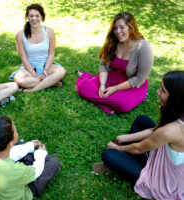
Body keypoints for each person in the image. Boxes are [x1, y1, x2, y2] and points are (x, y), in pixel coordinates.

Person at [93, 71, 184, 199]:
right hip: (165, 161)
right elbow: (155, 130)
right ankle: (127, 160)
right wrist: (127, 137)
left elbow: (138, 148)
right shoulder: (179, 117)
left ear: (175, 99)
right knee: (142, 120)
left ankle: (122, 163)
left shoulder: (172, 130)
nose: (158, 92)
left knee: (108, 155)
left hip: (161, 180)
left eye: (163, 91)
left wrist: (117, 148)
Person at [76, 12, 153, 114]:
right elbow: (103, 65)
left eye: (122, 27)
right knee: (83, 88)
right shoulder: (113, 41)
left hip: (131, 85)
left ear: (131, 28)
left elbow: (139, 78)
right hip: (110, 79)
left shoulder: (143, 47)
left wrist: (115, 89)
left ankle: (102, 100)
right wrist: (102, 85)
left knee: (122, 104)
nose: (118, 31)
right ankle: (102, 103)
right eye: (115, 28)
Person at [0, 115, 61, 200]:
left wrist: (29, 146)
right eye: (15, 130)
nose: (16, 131)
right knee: (53, 162)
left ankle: (27, 156)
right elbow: (36, 172)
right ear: (10, 144)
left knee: (18, 145)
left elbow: (11, 151)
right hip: (20, 192)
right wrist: (40, 154)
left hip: (0, 187)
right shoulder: (15, 170)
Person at [9, 4, 66, 92]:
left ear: (42, 17)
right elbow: (23, 58)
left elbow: (51, 54)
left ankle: (31, 90)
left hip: (46, 65)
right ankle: (51, 82)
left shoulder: (50, 32)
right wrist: (34, 75)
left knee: (61, 71)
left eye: (37, 16)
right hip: (29, 68)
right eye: (31, 16)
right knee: (18, 79)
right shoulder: (20, 35)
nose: (34, 18)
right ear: (27, 17)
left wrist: (46, 70)